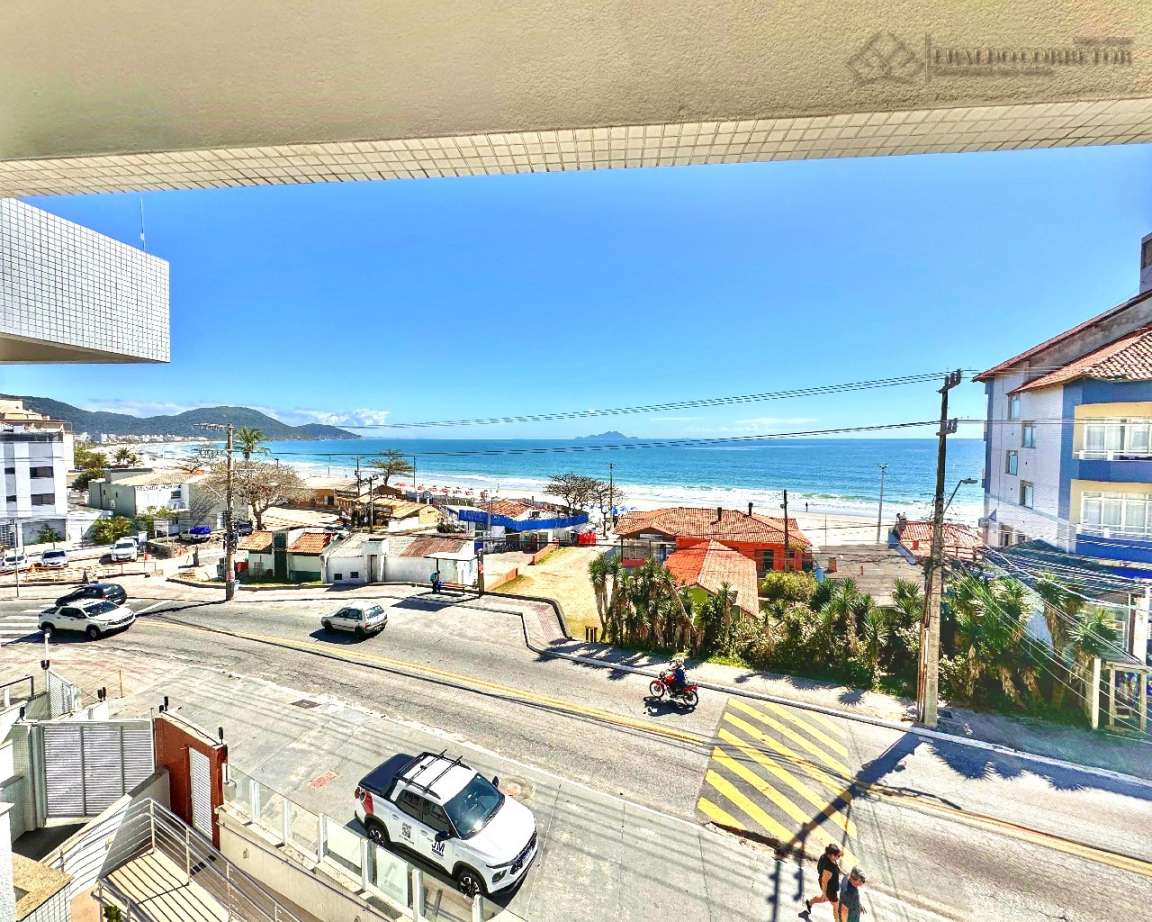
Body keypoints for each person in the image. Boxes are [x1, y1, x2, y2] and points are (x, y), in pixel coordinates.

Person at [800, 843, 842, 918]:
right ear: (832, 855)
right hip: (829, 888)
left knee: (823, 900)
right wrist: (824, 893)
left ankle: (809, 903)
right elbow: (824, 882)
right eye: (838, 856)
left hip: (830, 884)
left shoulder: (826, 856)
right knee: (836, 906)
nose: (839, 857)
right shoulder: (828, 868)